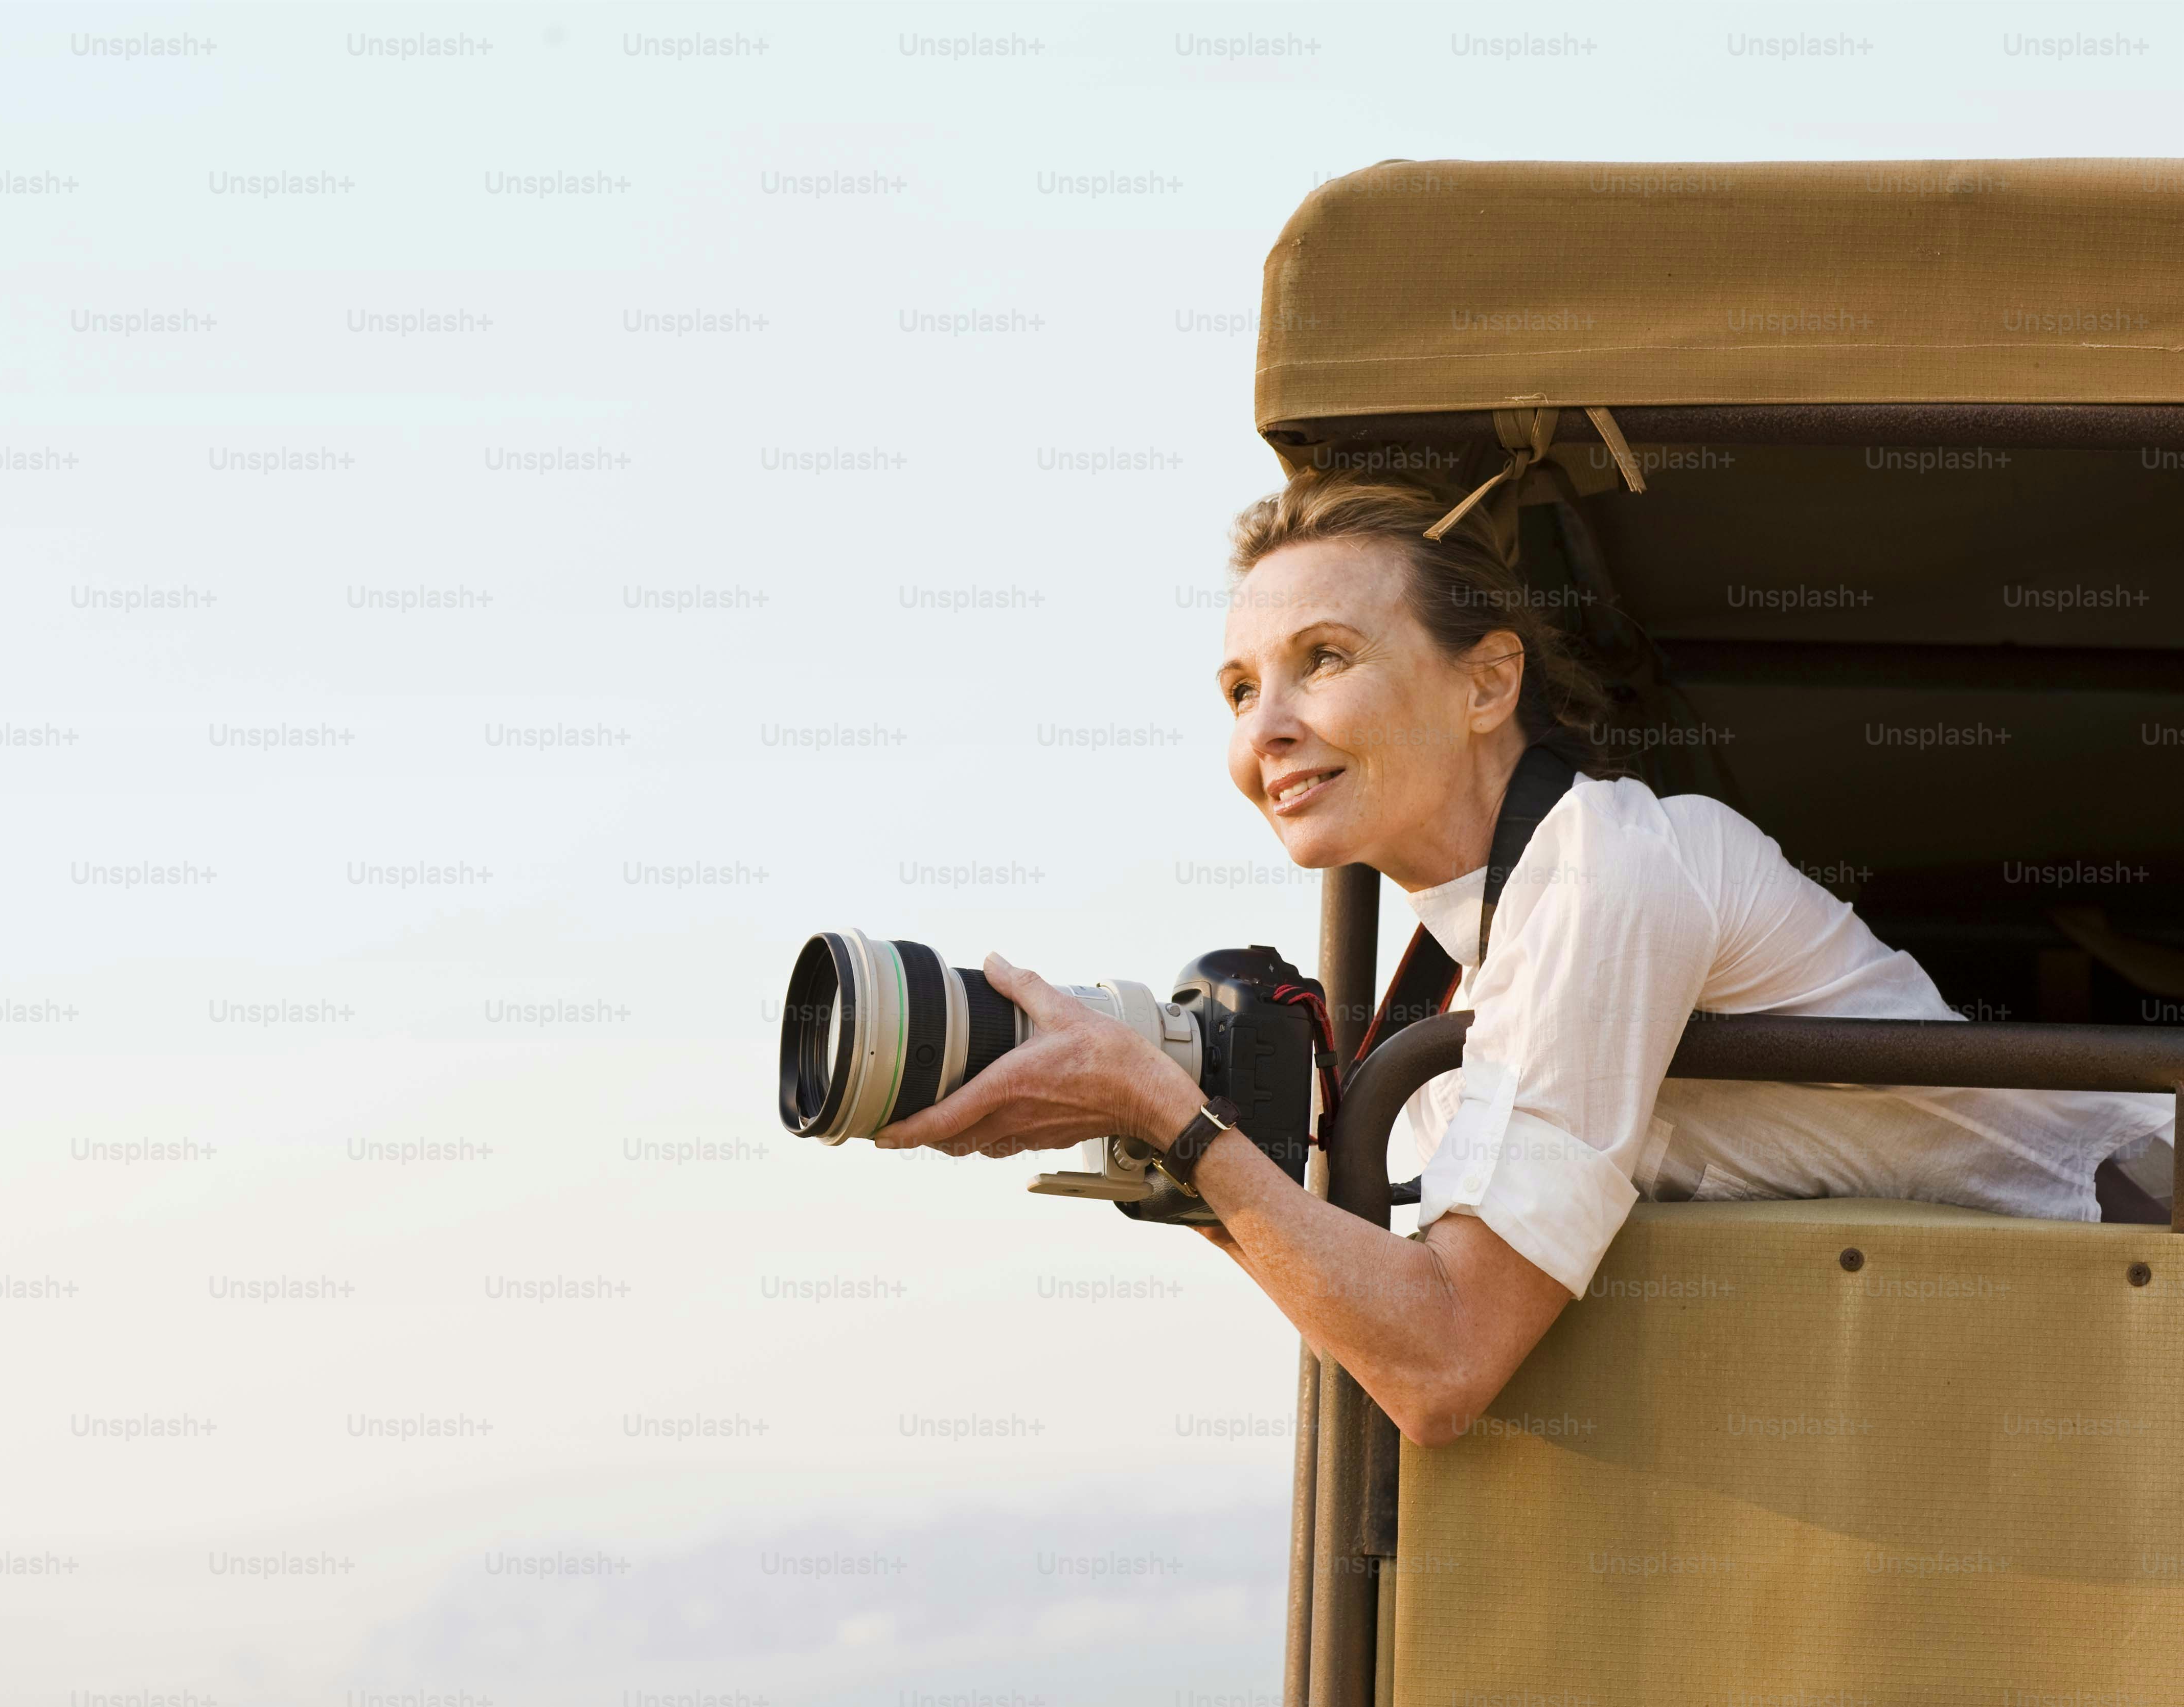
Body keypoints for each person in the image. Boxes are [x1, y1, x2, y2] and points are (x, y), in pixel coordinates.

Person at [875, 472, 2176, 1447]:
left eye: (1322, 660)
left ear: (1488, 683)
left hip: (2141, 1267)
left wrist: (1164, 1110)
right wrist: (1170, 1143)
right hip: (2034, 1370)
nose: (1266, 730)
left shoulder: (1616, 864)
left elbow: (1445, 1363)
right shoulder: (1453, 987)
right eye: (1235, 689)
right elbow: (1391, 1316)